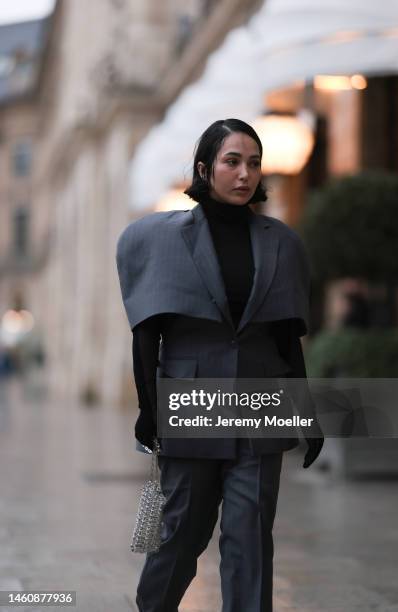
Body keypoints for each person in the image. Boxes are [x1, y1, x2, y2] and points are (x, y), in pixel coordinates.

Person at [116, 118, 324, 612]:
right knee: (181, 538)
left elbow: (286, 339)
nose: (245, 174)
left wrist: (306, 413)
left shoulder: (282, 242)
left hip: (258, 407)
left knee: (251, 540)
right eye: (232, 162)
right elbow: (147, 334)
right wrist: (150, 409)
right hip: (192, 407)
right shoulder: (159, 238)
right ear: (204, 169)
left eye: (254, 163)